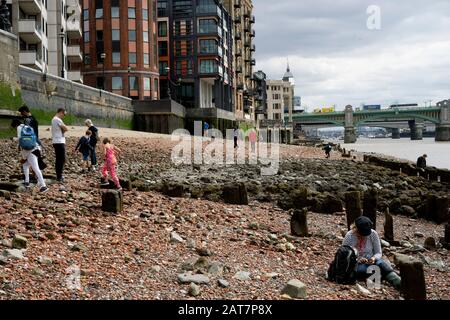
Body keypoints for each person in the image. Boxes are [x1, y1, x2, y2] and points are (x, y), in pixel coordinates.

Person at [342, 216, 401, 289]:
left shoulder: (373, 234)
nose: (364, 236)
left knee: (381, 264)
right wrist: (358, 260)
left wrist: (373, 258)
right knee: (370, 269)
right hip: (355, 265)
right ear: (356, 229)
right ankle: (380, 277)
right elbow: (344, 256)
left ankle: (399, 282)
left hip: (371, 261)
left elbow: (378, 252)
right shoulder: (349, 236)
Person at [11, 119, 49, 193]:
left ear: (15, 125)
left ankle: (43, 186)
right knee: (25, 165)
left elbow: (20, 139)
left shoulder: (19, 128)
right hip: (35, 148)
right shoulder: (28, 127)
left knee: (35, 168)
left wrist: (13, 139)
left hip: (29, 151)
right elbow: (34, 138)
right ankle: (27, 181)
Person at [51, 108, 68, 183]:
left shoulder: (54, 119)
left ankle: (59, 175)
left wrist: (63, 130)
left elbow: (64, 129)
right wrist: (63, 130)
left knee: (59, 159)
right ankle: (59, 176)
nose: (63, 116)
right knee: (61, 159)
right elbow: (65, 128)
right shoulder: (57, 119)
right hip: (59, 141)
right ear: (61, 112)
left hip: (56, 141)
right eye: (64, 114)